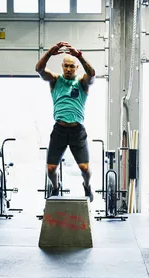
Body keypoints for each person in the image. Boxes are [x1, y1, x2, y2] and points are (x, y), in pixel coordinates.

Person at [35, 41, 95, 201]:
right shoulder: (55, 80)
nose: (68, 69)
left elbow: (92, 74)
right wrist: (49, 53)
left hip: (77, 131)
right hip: (59, 130)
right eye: (66, 66)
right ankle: (56, 187)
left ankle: (87, 186)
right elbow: (39, 70)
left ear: (76, 68)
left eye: (72, 66)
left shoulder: (82, 83)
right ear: (62, 66)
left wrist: (79, 56)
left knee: (84, 168)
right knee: (50, 169)